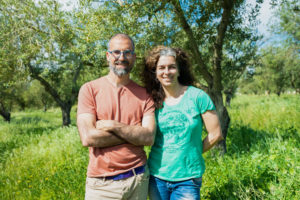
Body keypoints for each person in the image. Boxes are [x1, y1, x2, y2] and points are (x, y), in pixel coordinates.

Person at [77, 33, 156, 200]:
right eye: (116, 52)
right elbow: (88, 137)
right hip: (101, 185)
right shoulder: (89, 89)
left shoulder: (145, 94)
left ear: (134, 57)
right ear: (108, 56)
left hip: (138, 179)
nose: (122, 57)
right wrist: (134, 133)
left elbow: (149, 137)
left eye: (127, 52)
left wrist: (113, 126)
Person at [142, 46, 223, 200]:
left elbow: (216, 134)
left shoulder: (198, 97)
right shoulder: (151, 100)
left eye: (172, 67)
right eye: (161, 68)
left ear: (179, 70)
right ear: (155, 72)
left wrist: (192, 152)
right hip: (156, 176)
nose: (166, 72)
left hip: (188, 179)